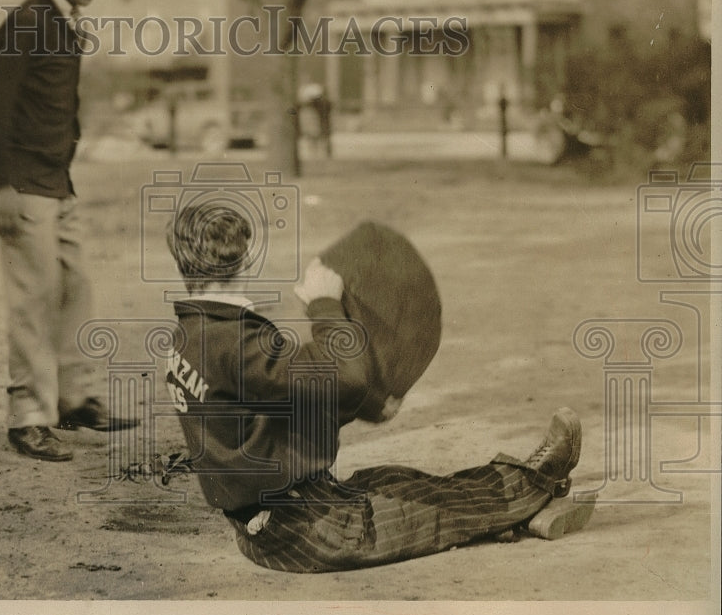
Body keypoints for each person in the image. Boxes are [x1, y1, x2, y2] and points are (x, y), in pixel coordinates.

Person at [164, 201, 591, 572]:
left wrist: (367, 404)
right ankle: (540, 482)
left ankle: (519, 515)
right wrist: (324, 304)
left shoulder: (191, 335)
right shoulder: (240, 343)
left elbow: (273, 411)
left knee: (391, 479)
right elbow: (347, 375)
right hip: (306, 533)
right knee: (427, 504)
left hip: (263, 527)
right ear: (247, 257)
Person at [0, 0, 137, 463]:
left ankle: (73, 401)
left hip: (56, 182)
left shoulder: (65, 22)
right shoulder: (29, 20)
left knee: (74, 287)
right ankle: (27, 418)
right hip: (22, 184)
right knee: (33, 297)